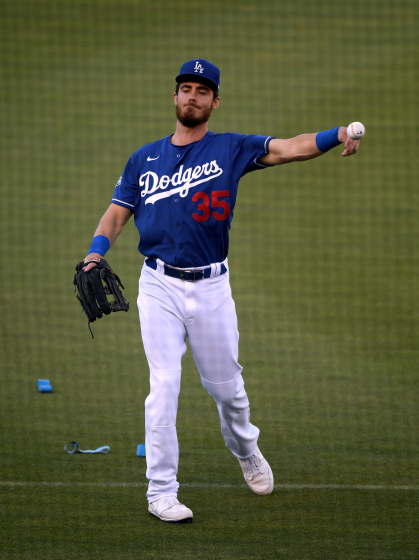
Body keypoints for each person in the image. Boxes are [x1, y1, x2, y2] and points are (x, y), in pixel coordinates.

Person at [81, 59, 361, 524]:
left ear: (214, 102)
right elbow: (116, 214)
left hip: (211, 288)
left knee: (227, 391)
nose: (192, 96)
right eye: (185, 88)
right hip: (158, 285)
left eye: (202, 91)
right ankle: (161, 491)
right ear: (174, 97)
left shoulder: (231, 149)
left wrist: (335, 135)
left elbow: (290, 148)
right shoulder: (143, 158)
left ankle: (245, 450)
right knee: (164, 386)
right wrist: (94, 253)